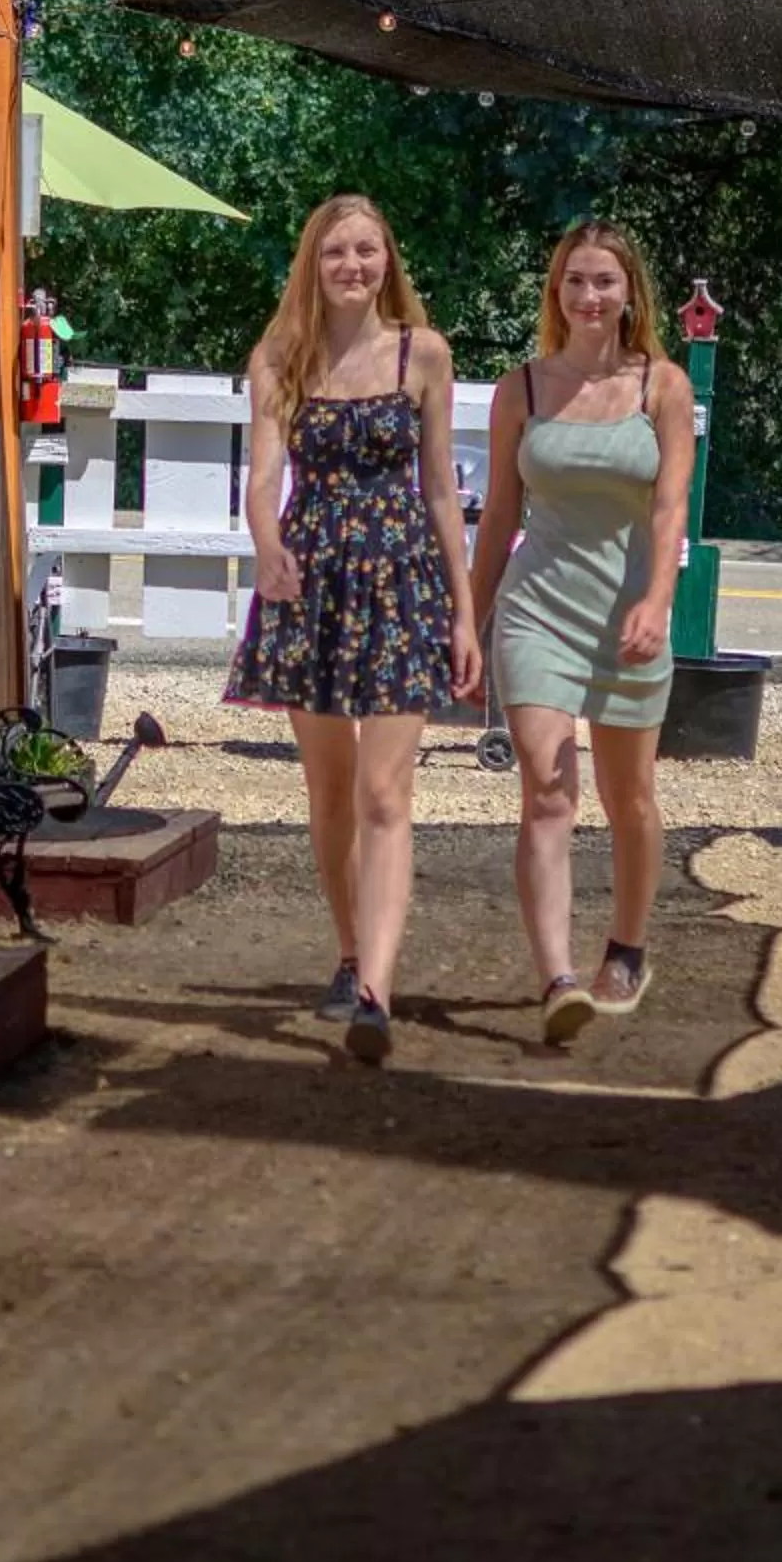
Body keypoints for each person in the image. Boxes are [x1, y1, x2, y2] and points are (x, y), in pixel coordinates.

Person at [225, 194, 483, 1064]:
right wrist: (266, 546)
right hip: (312, 584)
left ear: (388, 260)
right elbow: (263, 480)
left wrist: (464, 609)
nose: (353, 267)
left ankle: (375, 988)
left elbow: (443, 491)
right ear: (313, 262)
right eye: (337, 252)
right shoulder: (278, 358)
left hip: (402, 583)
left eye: (368, 251)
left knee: (385, 795)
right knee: (331, 792)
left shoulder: (424, 355)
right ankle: (347, 952)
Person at [469, 222, 694, 1046]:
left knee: (628, 798)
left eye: (603, 281)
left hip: (630, 613)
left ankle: (627, 947)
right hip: (538, 612)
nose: (588, 297)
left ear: (630, 293)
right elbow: (498, 516)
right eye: (573, 281)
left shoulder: (660, 387)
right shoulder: (521, 389)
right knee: (547, 788)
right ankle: (557, 977)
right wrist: (469, 616)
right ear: (554, 291)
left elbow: (672, 510)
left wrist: (658, 600)